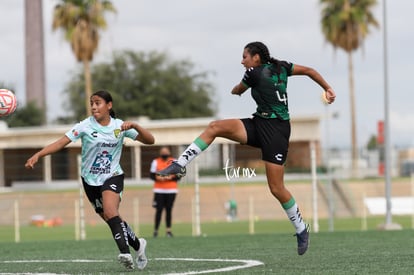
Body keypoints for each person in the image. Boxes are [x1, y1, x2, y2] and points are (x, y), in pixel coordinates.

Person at [158, 41, 336, 255]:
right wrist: (327, 87)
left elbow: (238, 89)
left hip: (277, 131)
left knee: (276, 188)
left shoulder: (253, 73)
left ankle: (301, 229)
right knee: (215, 127)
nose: (242, 61)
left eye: (245, 57)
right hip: (259, 123)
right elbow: (309, 71)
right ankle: (180, 163)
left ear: (256, 58)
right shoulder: (281, 66)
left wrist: (235, 90)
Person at [25, 90, 155, 270]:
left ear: (109, 105)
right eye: (92, 103)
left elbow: (150, 140)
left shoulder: (120, 126)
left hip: (112, 176)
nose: (94, 107)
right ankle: (139, 245)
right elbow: (61, 143)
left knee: (111, 211)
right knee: (113, 219)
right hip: (90, 180)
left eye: (98, 103)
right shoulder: (85, 126)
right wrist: (38, 155)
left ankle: (125, 253)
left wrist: (136, 126)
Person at [149, 146, 179, 237]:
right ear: (160, 153)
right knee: (159, 210)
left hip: (171, 190)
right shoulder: (155, 162)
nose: (164, 153)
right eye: (163, 151)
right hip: (159, 190)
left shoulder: (174, 161)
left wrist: (170, 177)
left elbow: (178, 176)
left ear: (169, 152)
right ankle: (156, 230)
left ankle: (168, 230)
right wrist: (159, 178)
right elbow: (152, 175)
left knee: (169, 210)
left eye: (166, 151)